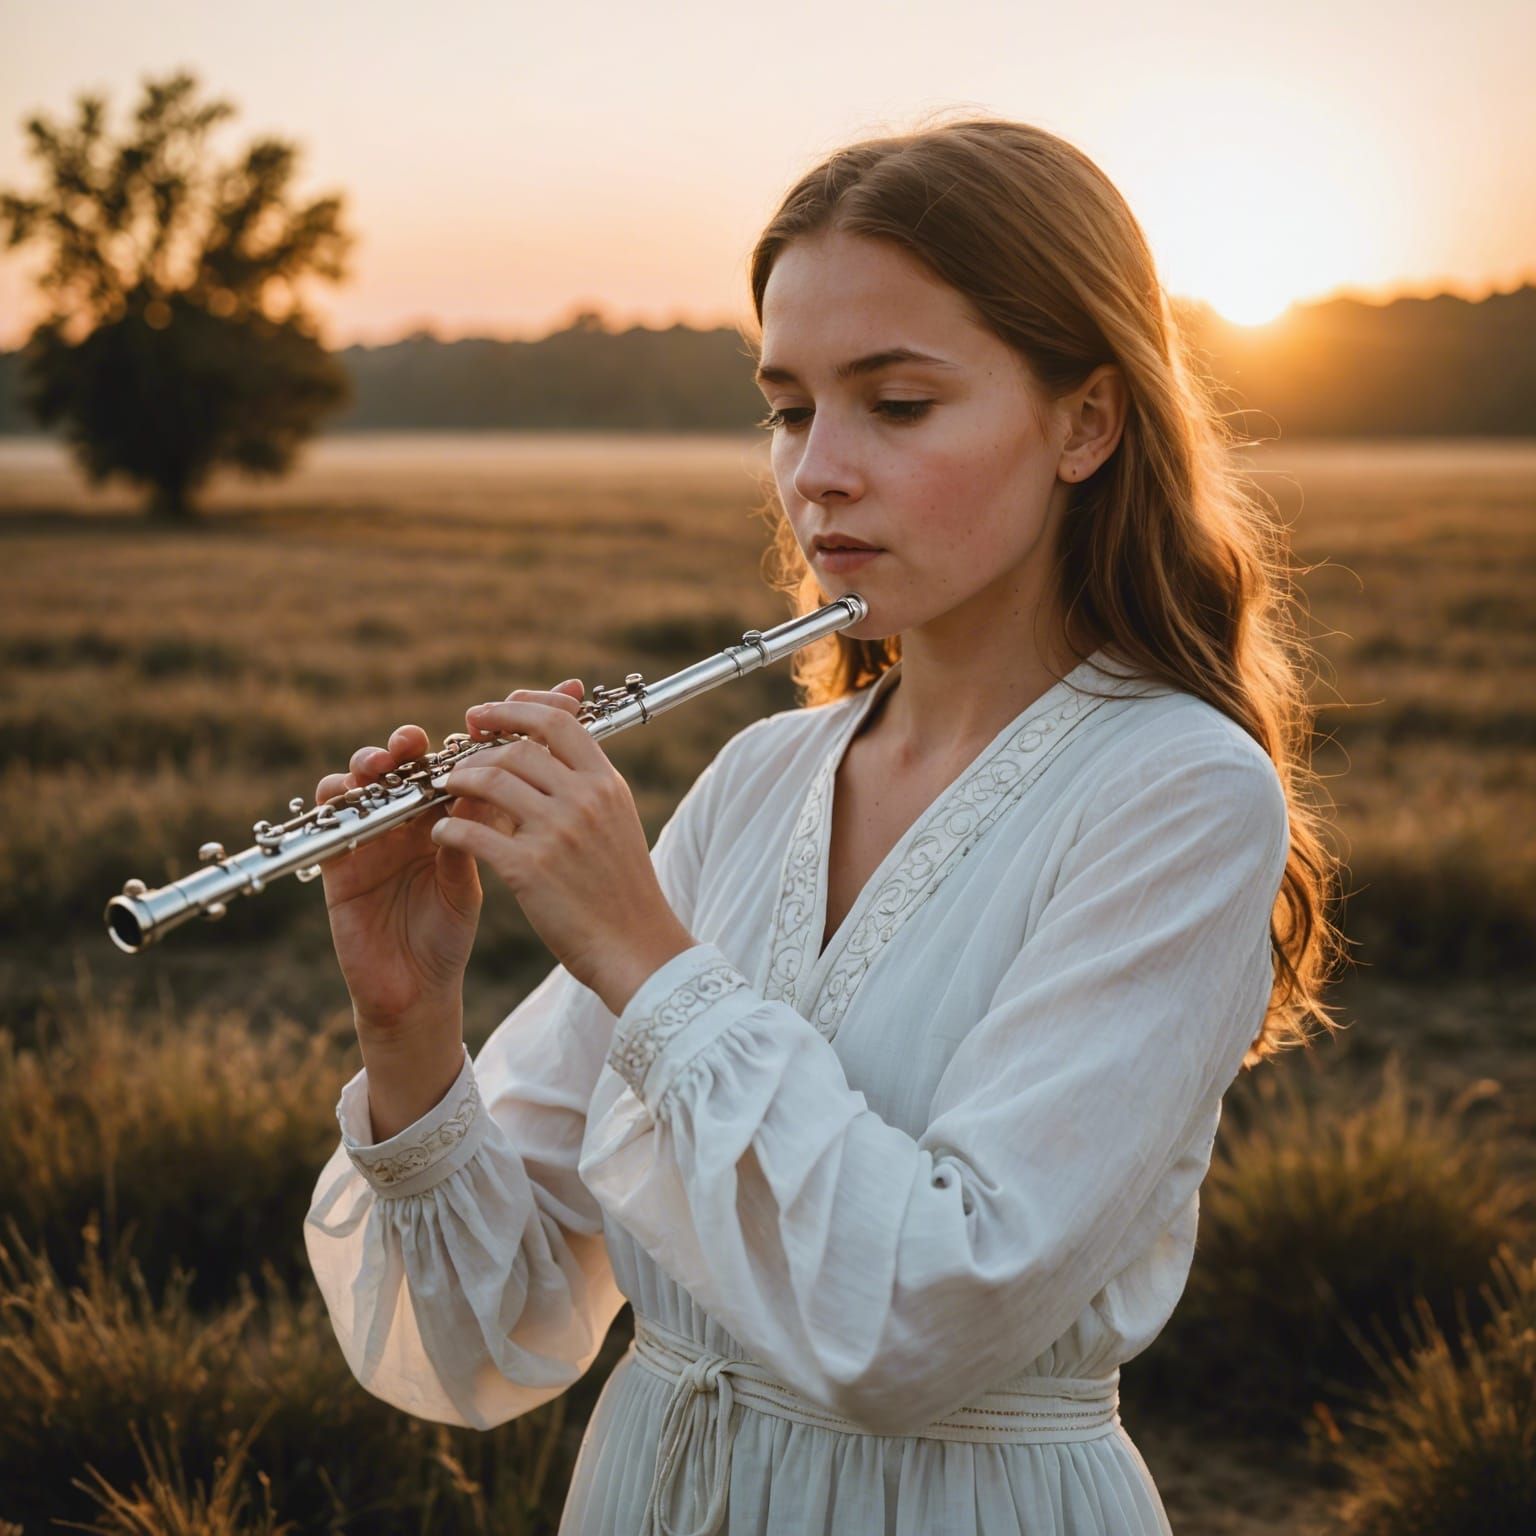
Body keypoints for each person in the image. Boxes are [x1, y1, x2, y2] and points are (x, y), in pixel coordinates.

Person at [304, 116, 1342, 1535]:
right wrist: (409, 1020)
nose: (817, 473)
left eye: (897, 405)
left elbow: (923, 1317)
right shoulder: (762, 773)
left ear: (1087, 423)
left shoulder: (1179, 793)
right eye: (789, 408)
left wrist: (649, 962)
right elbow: (496, 1323)